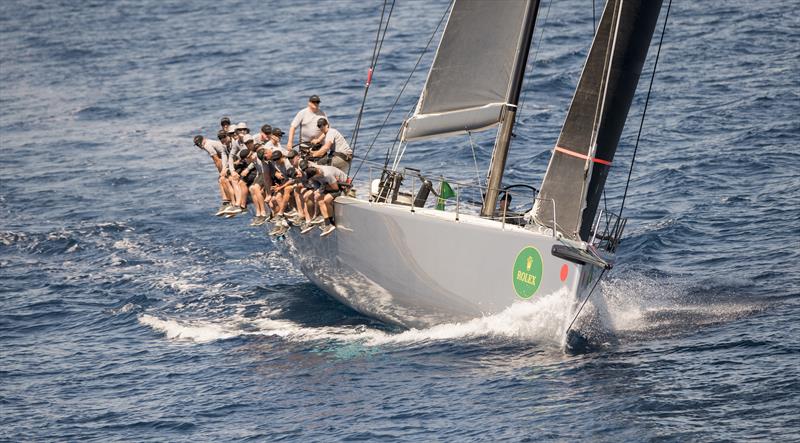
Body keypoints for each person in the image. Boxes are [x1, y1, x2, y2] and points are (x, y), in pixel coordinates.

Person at [194, 134, 234, 215]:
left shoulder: (207, 145)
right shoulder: (207, 143)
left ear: (203, 140)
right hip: (225, 155)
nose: (200, 146)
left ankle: (228, 202)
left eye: (199, 144)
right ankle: (226, 201)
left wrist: (222, 172)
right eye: (198, 145)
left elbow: (217, 161)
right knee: (221, 180)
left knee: (222, 180)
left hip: (226, 156)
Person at [306, 165, 348, 237]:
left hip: (341, 186)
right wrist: (318, 191)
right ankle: (328, 224)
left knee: (326, 200)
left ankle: (331, 221)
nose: (313, 179)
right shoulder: (316, 175)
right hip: (329, 186)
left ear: (317, 173)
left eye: (313, 177)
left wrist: (321, 190)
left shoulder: (327, 174)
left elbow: (335, 188)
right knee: (319, 200)